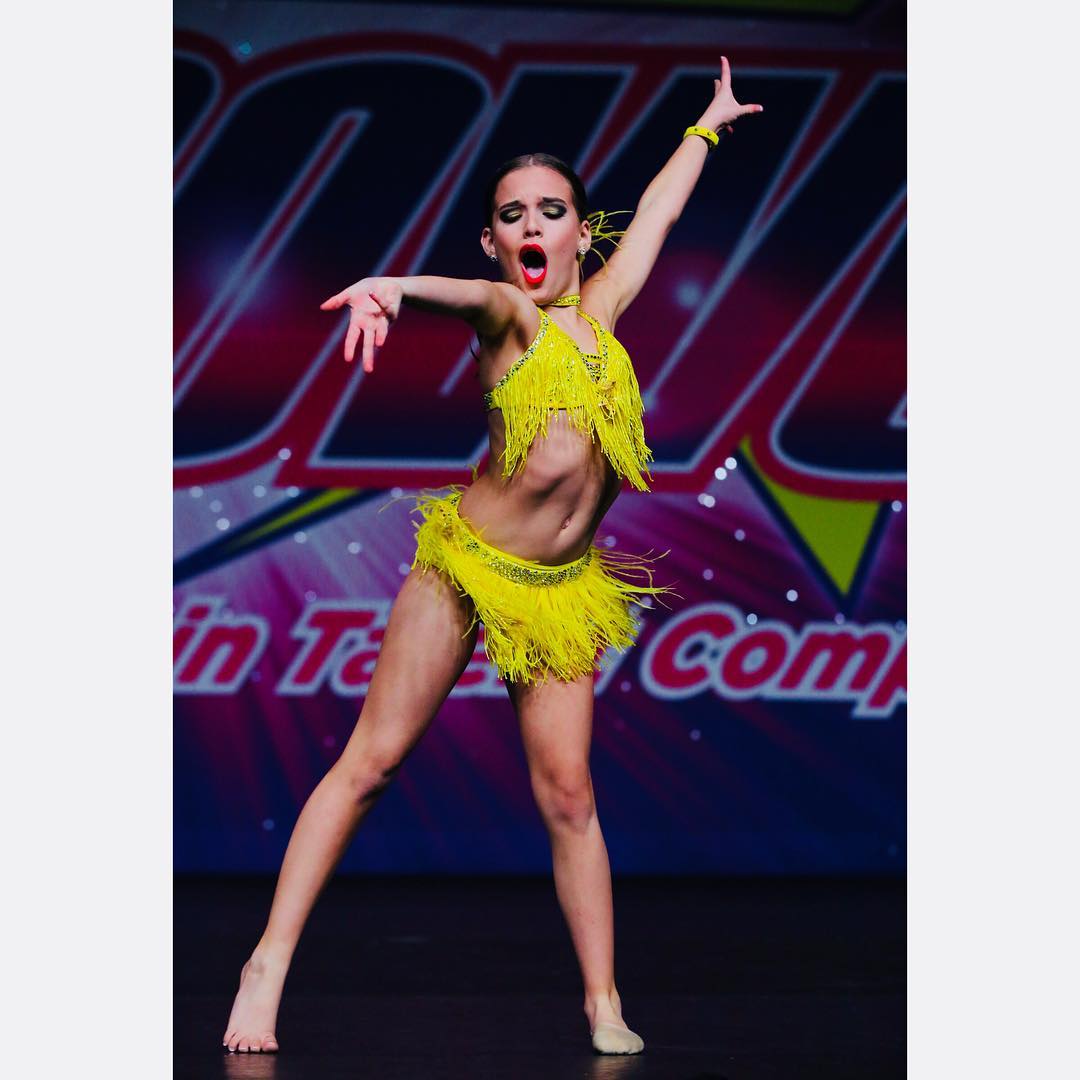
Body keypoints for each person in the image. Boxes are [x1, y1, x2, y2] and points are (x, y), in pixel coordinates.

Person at [222, 57, 763, 1057]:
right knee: (371, 764)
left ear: (579, 233)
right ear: (495, 240)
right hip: (467, 569)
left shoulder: (603, 314)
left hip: (559, 591)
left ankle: (603, 1001)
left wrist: (704, 128)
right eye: (512, 215)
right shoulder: (510, 318)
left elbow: (656, 215)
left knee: (570, 795)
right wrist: (393, 286)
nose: (530, 227)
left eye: (551, 211)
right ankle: (266, 965)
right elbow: (466, 296)